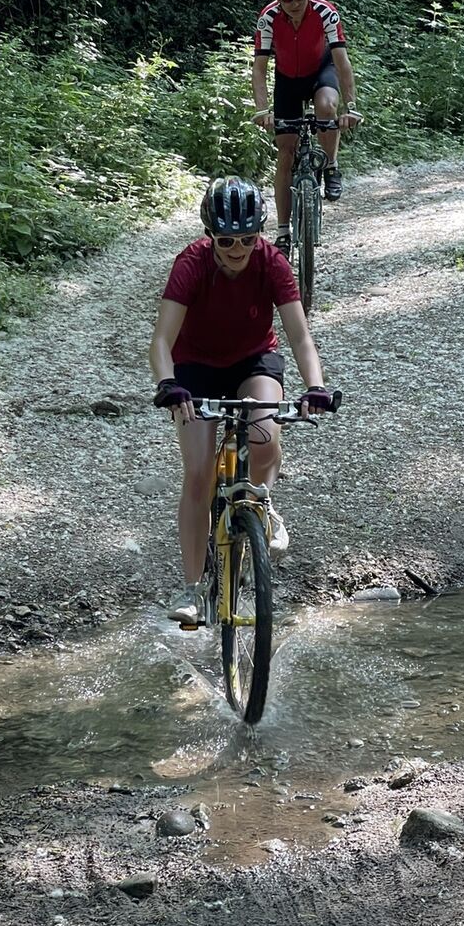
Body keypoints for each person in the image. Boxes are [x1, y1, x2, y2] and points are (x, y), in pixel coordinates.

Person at [149, 174, 338, 625]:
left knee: (266, 433)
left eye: (248, 239)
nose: (238, 249)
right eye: (227, 241)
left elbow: (300, 336)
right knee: (198, 472)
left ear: (259, 234)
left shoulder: (272, 262)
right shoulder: (191, 263)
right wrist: (167, 383)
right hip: (194, 366)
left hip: (254, 360)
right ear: (209, 235)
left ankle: (262, 504)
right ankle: (192, 589)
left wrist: (315, 386)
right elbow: (161, 341)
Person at [251, 0, 362, 258]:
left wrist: (351, 106)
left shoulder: (326, 12)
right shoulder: (268, 18)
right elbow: (259, 69)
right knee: (285, 153)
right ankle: (283, 232)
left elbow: (342, 63)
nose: (294, 3)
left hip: (320, 71)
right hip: (287, 79)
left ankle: (331, 165)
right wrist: (262, 110)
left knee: (327, 107)